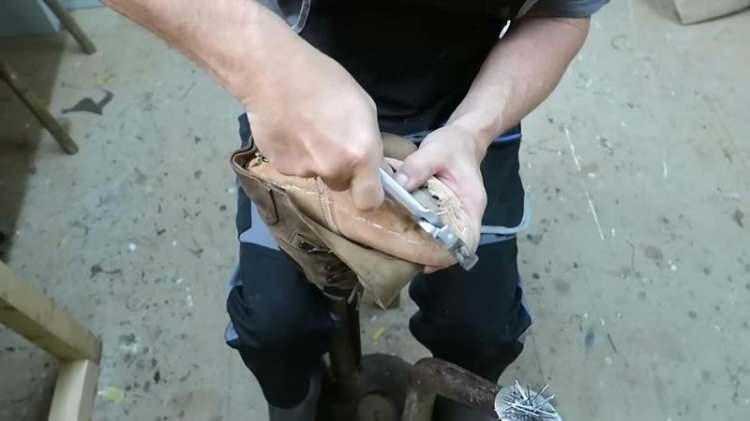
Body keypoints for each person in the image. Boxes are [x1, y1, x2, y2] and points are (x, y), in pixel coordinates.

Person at [103, 1, 608, 420]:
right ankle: (293, 400)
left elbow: (561, 14)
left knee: (483, 331)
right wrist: (261, 65)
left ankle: (458, 404)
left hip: (465, 113)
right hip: (297, 106)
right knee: (274, 329)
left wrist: (472, 131)